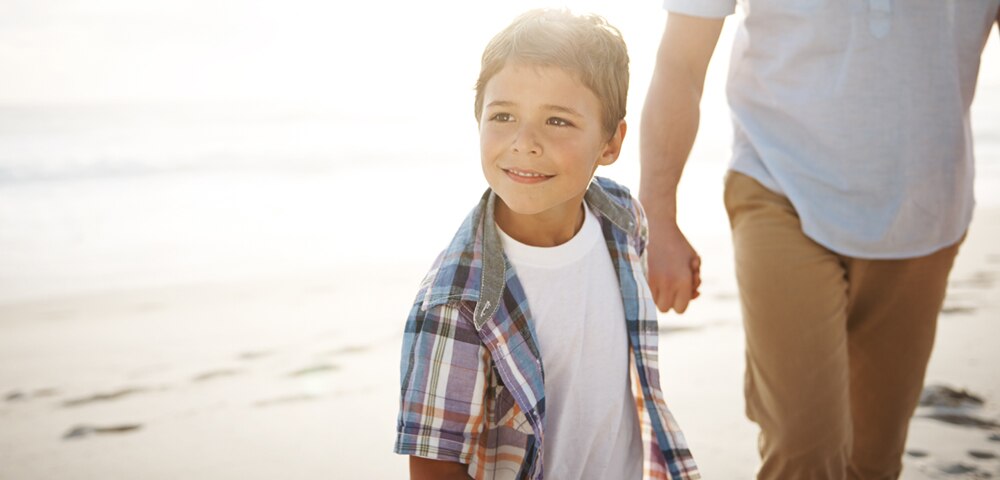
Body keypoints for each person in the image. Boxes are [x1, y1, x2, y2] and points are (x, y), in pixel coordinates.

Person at [639, 1, 1000, 478]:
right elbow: (680, 63)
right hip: (778, 182)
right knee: (802, 445)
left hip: (925, 207)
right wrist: (658, 218)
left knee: (873, 459)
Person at [393, 8, 700, 480]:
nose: (524, 142)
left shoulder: (622, 219)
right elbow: (434, 466)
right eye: (504, 115)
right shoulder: (454, 305)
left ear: (610, 144)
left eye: (557, 121)